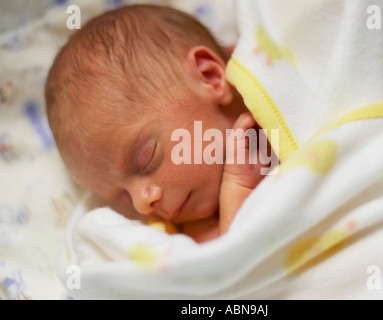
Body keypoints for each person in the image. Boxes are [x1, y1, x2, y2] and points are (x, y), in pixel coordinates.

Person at [45, 4, 273, 243]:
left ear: (210, 77)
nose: (142, 204)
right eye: (123, 196)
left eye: (147, 159)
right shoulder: (192, 235)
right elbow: (233, 266)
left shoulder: (280, 77)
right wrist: (238, 192)